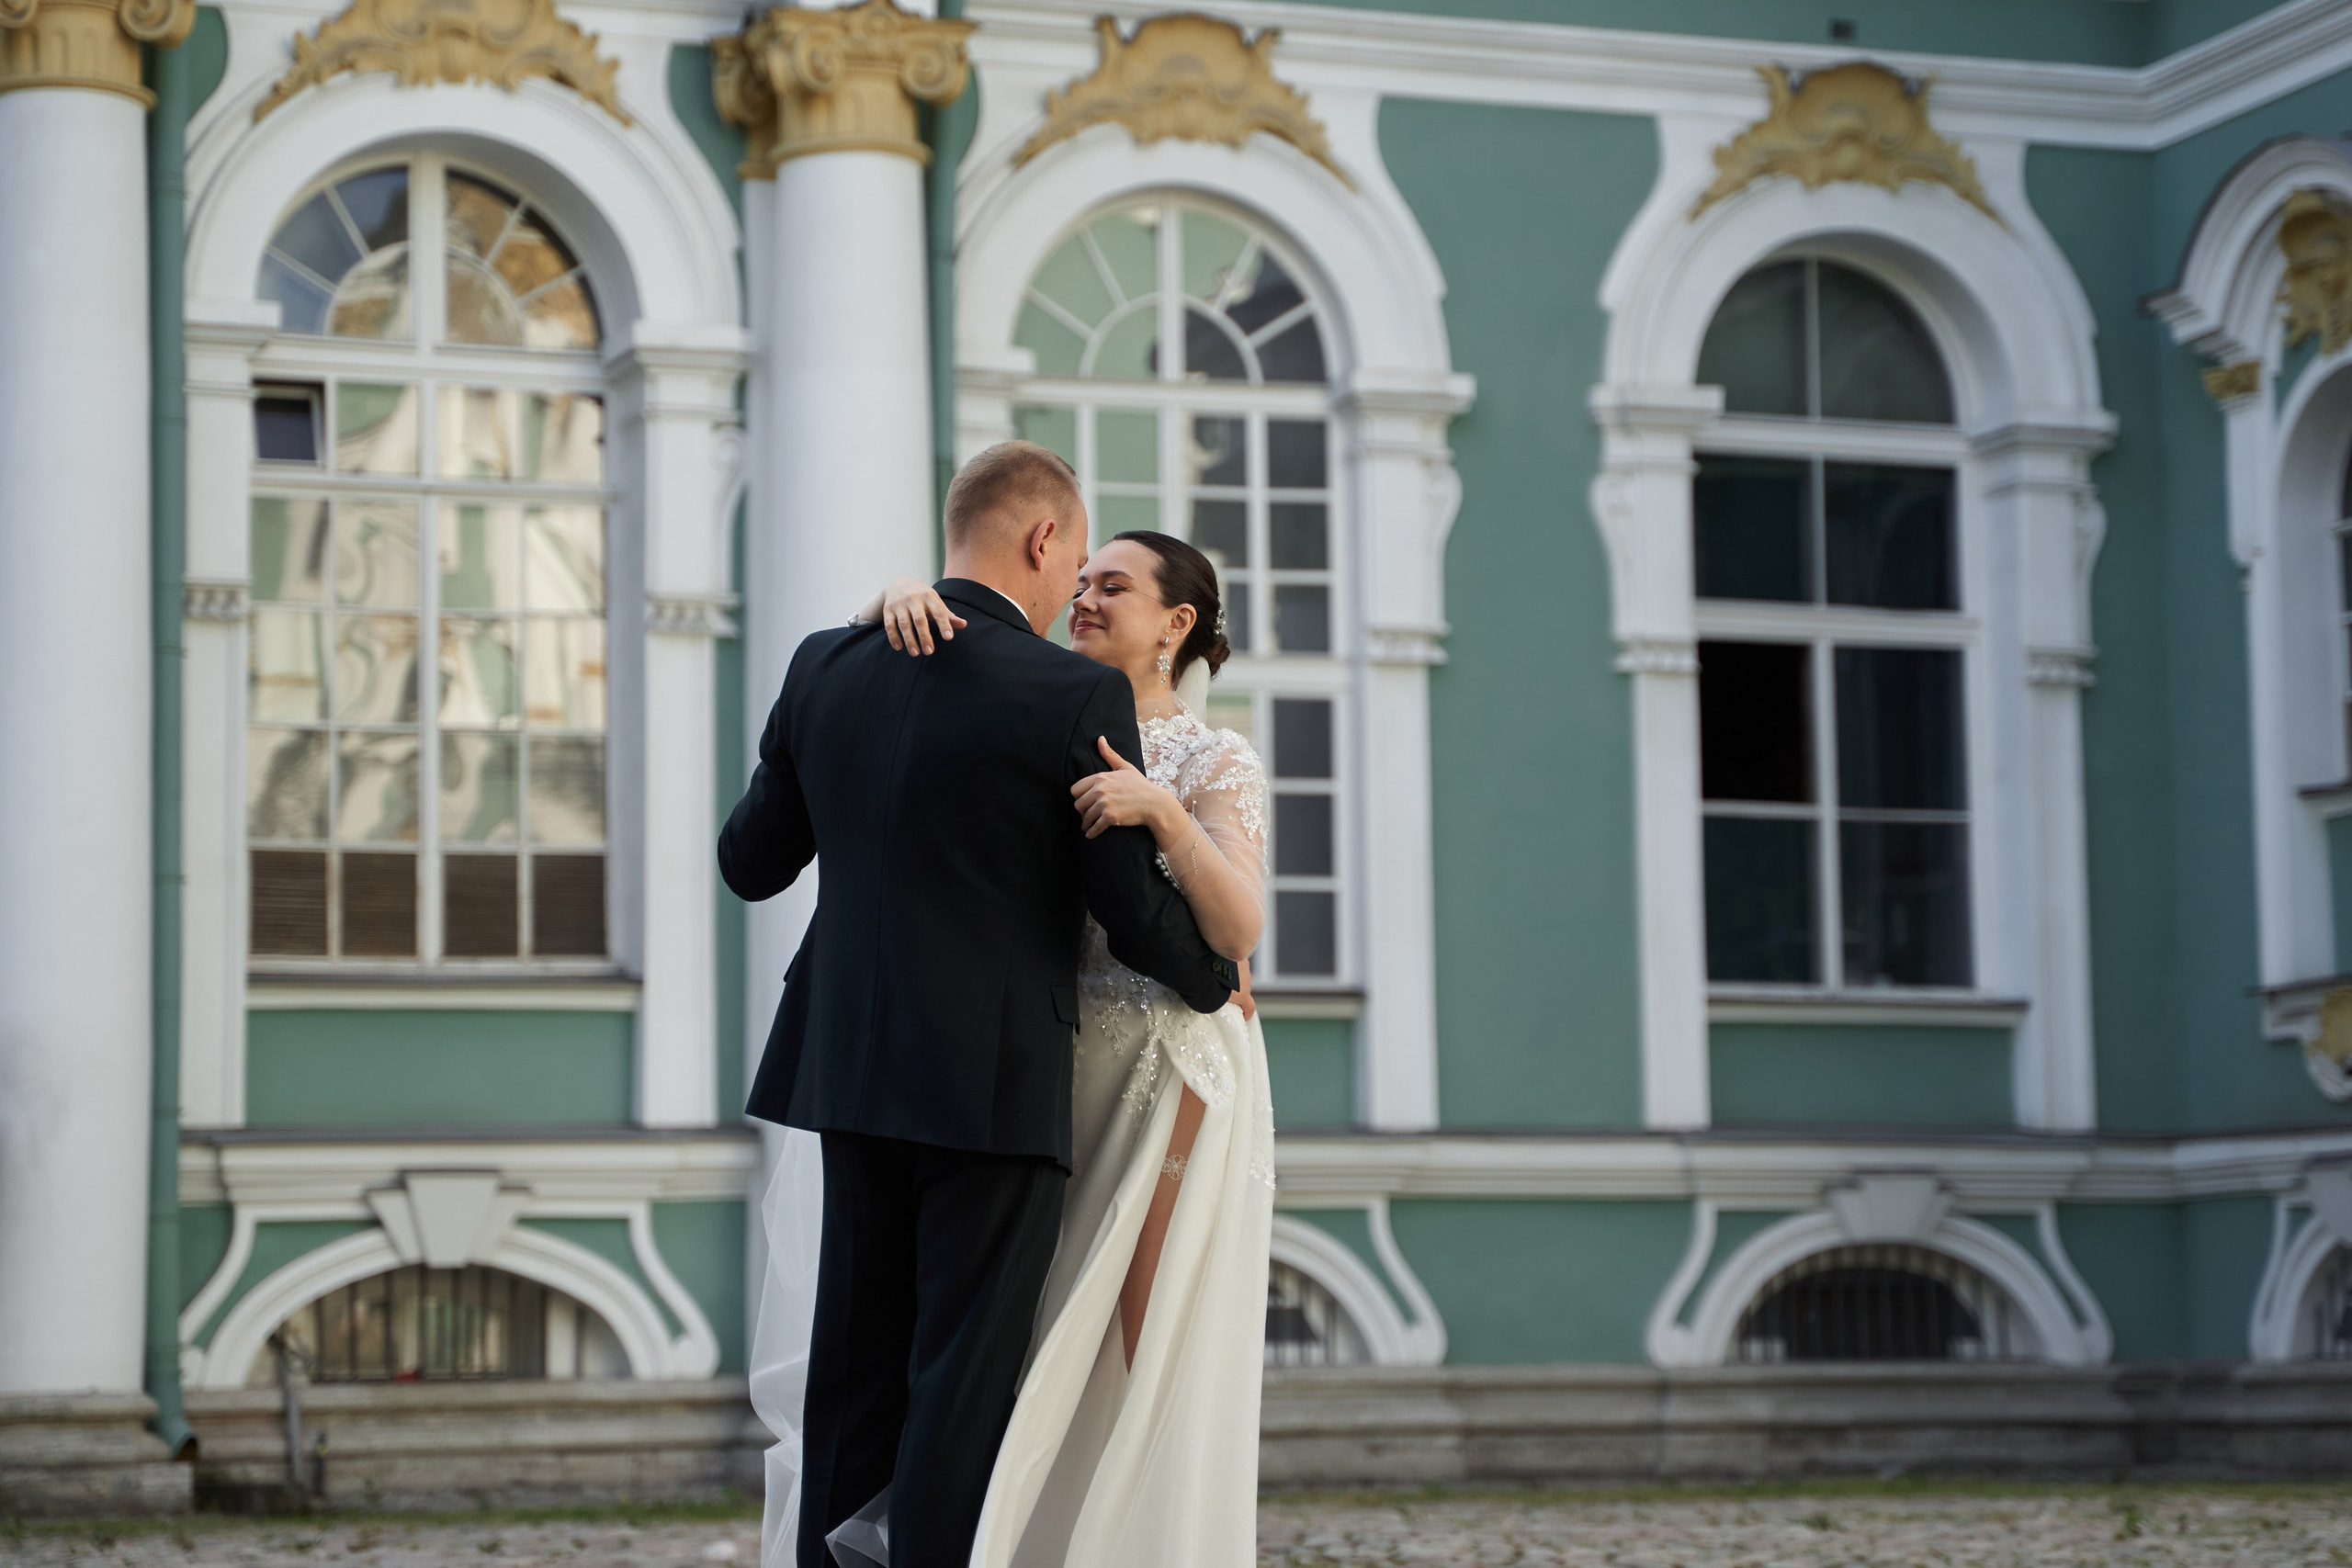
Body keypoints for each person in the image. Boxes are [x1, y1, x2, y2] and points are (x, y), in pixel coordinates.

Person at [718, 442, 1238, 1568]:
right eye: (1075, 567)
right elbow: (1128, 907)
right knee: (959, 1382)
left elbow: (751, 862)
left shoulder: (826, 662)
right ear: (1045, 540)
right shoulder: (1070, 691)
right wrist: (1211, 982)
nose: (1073, 598)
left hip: (846, 1068)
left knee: (851, 1368)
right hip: (992, 1081)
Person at [842, 530, 1279, 1567]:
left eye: (1111, 586)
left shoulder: (1211, 756)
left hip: (1165, 1067)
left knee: (1129, 1331)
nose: (1081, 597)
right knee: (1023, 1331)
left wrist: (1164, 813)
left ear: (1177, 624)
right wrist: (893, 604)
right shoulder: (1042, 720)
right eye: (1078, 580)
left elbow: (1237, 932)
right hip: (1047, 1063)